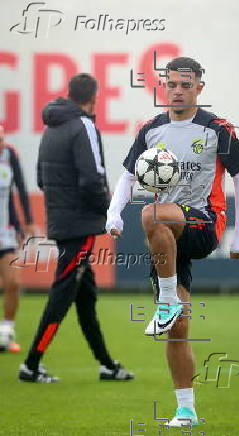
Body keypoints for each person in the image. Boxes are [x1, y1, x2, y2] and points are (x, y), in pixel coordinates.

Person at [106, 57, 239, 427]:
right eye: (172, 84)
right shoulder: (151, 129)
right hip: (167, 238)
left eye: (186, 84)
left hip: (204, 223)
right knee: (179, 328)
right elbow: (127, 175)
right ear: (164, 86)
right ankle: (186, 410)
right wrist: (113, 214)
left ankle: (166, 300)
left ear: (199, 88)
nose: (178, 90)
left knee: (152, 213)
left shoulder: (217, 128)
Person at [18, 73, 134, 383]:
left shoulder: (51, 127)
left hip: (61, 220)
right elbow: (92, 177)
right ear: (94, 98)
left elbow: (42, 179)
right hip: (79, 225)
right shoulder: (83, 126)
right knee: (62, 294)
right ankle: (31, 364)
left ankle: (107, 365)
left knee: (85, 297)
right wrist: (109, 211)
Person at [0, 125, 34, 353]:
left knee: (13, 282)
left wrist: (26, 222)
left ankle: (6, 332)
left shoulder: (9, 155)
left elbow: (19, 189)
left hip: (5, 232)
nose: (2, 143)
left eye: (2, 138)